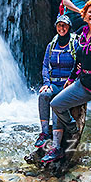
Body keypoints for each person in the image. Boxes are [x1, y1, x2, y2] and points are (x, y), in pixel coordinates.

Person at [46, 0, 91, 182]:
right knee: (56, 103)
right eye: (90, 12)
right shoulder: (81, 34)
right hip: (83, 83)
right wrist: (69, 81)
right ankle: (72, 128)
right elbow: (78, 62)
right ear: (84, 15)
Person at [33, 15, 78, 163]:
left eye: (64, 25)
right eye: (59, 25)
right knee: (44, 95)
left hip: (68, 84)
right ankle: (45, 133)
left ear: (69, 27)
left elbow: (79, 64)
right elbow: (45, 66)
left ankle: (57, 147)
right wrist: (46, 82)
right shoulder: (52, 45)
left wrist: (73, 81)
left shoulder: (74, 43)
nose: (62, 28)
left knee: (57, 103)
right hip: (54, 82)